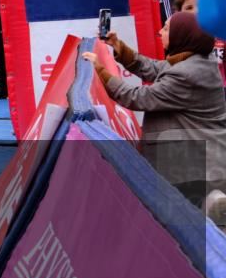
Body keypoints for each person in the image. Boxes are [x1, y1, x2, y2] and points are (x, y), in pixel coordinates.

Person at [83, 14, 226, 216]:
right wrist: (117, 46)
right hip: (203, 161)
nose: (160, 32)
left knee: (187, 225)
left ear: (182, 35)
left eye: (166, 28)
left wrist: (100, 70)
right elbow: (152, 68)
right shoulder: (195, 61)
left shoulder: (186, 74)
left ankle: (211, 208)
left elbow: (135, 97)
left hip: (199, 167)